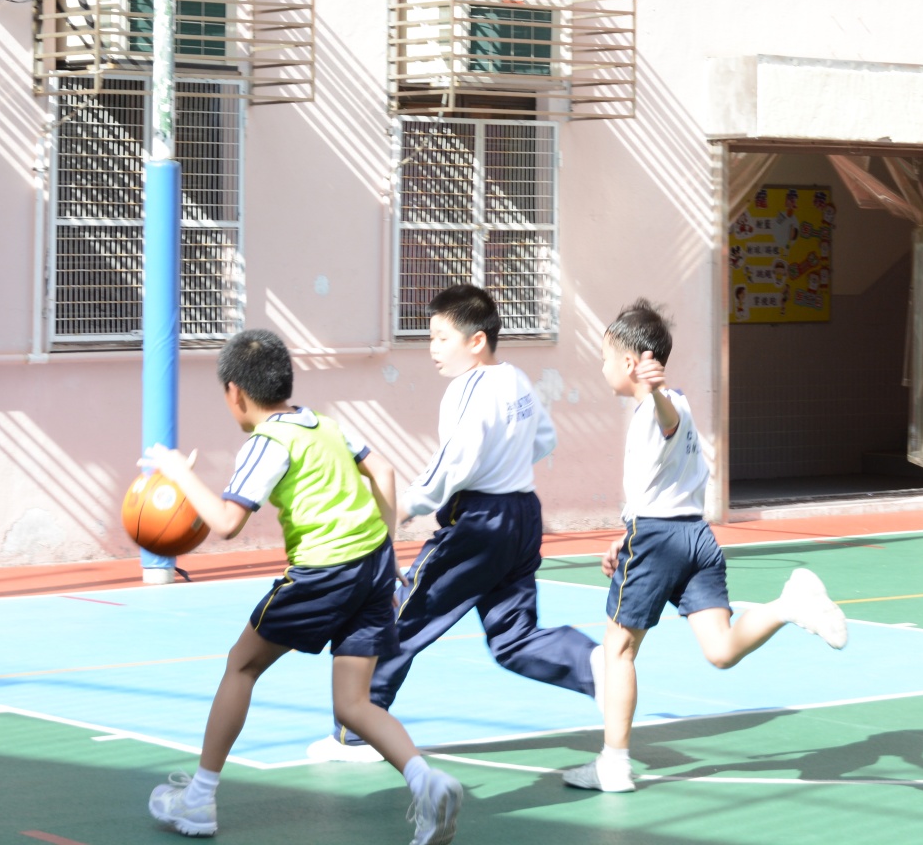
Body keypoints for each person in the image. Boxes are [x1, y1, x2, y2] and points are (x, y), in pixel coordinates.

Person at [141, 329, 463, 843]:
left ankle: (198, 800)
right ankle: (427, 781)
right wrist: (387, 548)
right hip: (372, 566)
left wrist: (179, 473)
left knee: (241, 665)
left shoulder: (267, 442)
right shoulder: (325, 425)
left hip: (324, 572)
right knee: (353, 704)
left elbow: (225, 522)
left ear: (235, 393)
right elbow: (383, 470)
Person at [564, 299, 848, 794]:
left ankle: (613, 765)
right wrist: (625, 534)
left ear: (630, 362)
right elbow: (661, 486)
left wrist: (655, 393)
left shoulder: (662, 407)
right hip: (694, 537)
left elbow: (667, 421)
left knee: (617, 650)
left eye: (606, 357)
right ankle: (788, 605)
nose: (602, 366)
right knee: (720, 650)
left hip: (658, 540)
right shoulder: (676, 404)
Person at [310, 285, 600, 761]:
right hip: (522, 514)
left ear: (476, 340)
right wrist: (504, 465)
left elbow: (454, 463)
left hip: (479, 521)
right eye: (431, 337)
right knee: (513, 636)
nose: (433, 348)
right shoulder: (516, 379)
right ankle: (594, 664)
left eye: (442, 338)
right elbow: (544, 439)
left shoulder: (468, 388)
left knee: (396, 618)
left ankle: (356, 733)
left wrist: (402, 508)